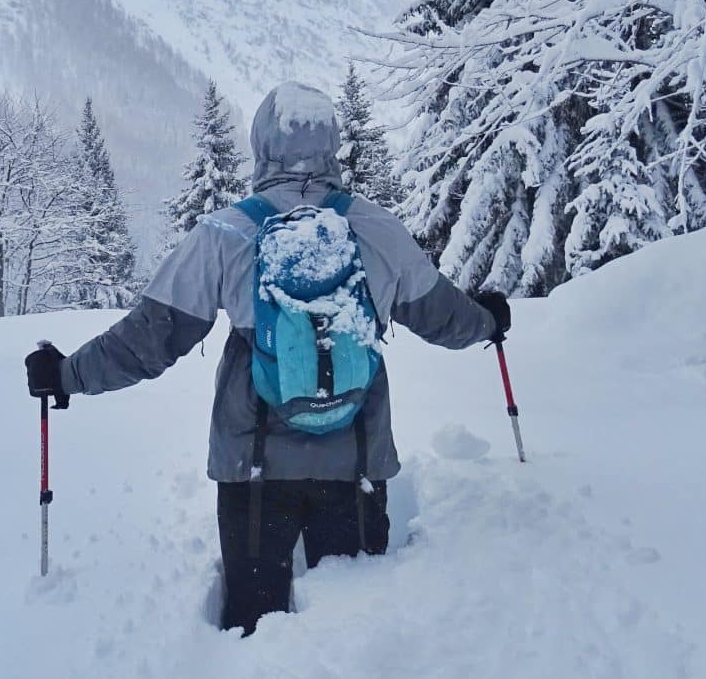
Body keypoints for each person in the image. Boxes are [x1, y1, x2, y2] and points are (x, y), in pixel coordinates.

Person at [25, 81, 509, 634]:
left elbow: (148, 339)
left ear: (261, 147)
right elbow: (446, 318)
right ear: (331, 146)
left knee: (251, 633)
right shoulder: (376, 230)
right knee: (356, 635)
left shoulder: (227, 234)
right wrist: (490, 321)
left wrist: (66, 375)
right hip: (354, 467)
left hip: (252, 472)